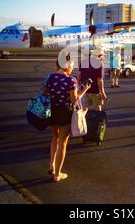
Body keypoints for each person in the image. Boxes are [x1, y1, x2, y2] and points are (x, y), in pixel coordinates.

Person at [44, 54, 91, 182]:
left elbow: (45, 94)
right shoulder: (71, 81)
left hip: (51, 112)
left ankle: (51, 166)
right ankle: (57, 174)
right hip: (65, 113)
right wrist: (84, 90)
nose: (73, 67)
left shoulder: (50, 77)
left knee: (55, 137)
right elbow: (74, 101)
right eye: (72, 65)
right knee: (63, 143)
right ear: (67, 65)